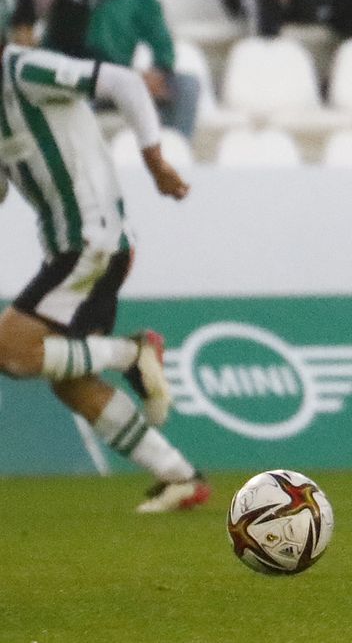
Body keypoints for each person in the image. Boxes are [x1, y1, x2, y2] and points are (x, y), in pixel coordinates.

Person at [0, 37, 207, 513]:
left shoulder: (26, 71)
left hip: (91, 242)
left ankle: (132, 351)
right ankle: (180, 476)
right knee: (71, 380)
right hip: (78, 248)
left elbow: (123, 81)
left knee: (12, 352)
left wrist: (155, 162)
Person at [41, 0, 201, 138]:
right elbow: (75, 51)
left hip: (121, 84)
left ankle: (172, 154)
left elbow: (162, 43)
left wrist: (159, 71)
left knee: (186, 86)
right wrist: (128, 78)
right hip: (78, 82)